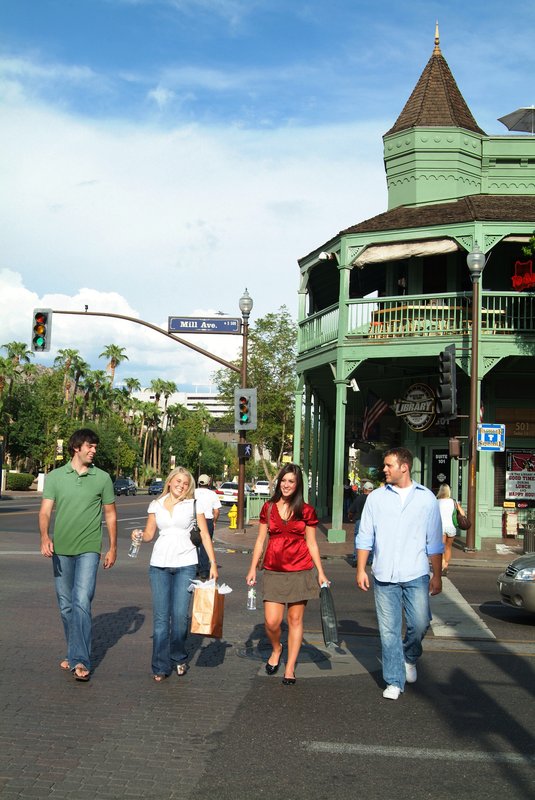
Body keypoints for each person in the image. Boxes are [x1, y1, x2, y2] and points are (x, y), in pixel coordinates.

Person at [356, 447, 443, 700]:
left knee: (420, 623)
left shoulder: (426, 498)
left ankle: (410, 656)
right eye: (384, 465)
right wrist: (361, 568)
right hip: (383, 576)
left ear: (404, 467)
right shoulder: (376, 498)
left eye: (388, 465)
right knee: (389, 631)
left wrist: (436, 575)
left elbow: (435, 542)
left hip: (416, 573)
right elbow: (365, 536)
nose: (384, 469)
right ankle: (394, 680)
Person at [38, 428, 117, 682]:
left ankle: (80, 660)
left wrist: (112, 547)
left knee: (82, 600)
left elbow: (111, 514)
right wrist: (44, 536)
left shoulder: (102, 478)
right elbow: (45, 512)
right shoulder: (55, 477)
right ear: (76, 447)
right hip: (61, 549)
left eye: (95, 447)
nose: (93, 450)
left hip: (89, 549)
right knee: (66, 605)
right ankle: (73, 652)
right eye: (90, 446)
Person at [246, 463, 329, 685]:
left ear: (298, 484)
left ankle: (290, 667)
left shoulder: (307, 510)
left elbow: (311, 543)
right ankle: (277, 648)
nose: (286, 484)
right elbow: (261, 540)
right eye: (283, 480)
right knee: (272, 622)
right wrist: (253, 567)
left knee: (294, 619)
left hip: (300, 570)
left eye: (291, 481)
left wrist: (320, 572)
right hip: (273, 569)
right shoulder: (269, 508)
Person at [133, 466, 219, 682]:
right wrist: (140, 534)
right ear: (170, 482)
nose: (181, 485)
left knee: (180, 617)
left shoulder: (192, 505)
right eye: (178, 481)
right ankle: (160, 666)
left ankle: (178, 655)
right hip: (159, 565)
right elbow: (150, 534)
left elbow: (206, 536)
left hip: (186, 564)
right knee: (161, 619)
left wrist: (213, 564)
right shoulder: (156, 505)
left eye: (185, 483)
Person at [195, 474, 221, 580]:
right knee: (205, 545)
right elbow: (216, 511)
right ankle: (204, 570)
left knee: (193, 544)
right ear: (208, 483)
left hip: (195, 520)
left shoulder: (193, 492)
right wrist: (214, 521)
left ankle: (194, 567)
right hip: (207, 520)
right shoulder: (212, 494)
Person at [436, 483, 464, 576]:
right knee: (448, 548)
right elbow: (463, 513)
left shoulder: (436, 501)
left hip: (441, 527)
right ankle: (446, 566)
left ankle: (442, 564)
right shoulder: (453, 501)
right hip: (451, 527)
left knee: (441, 548)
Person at [348, 481, 374, 565]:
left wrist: (350, 517)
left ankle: (356, 558)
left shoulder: (359, 498)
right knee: (372, 539)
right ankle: (370, 559)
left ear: (364, 489)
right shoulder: (374, 498)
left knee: (358, 539)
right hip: (371, 521)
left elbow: (352, 510)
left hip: (360, 520)